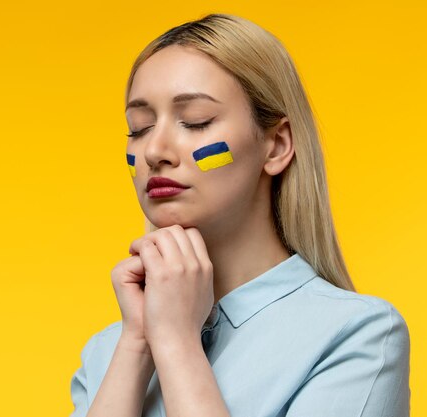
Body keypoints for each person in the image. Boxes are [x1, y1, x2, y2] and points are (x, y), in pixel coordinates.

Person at [69, 13, 411, 417]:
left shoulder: (358, 336)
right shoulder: (107, 352)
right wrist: (138, 343)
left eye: (195, 121)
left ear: (277, 146)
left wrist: (177, 343)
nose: (153, 151)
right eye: (139, 127)